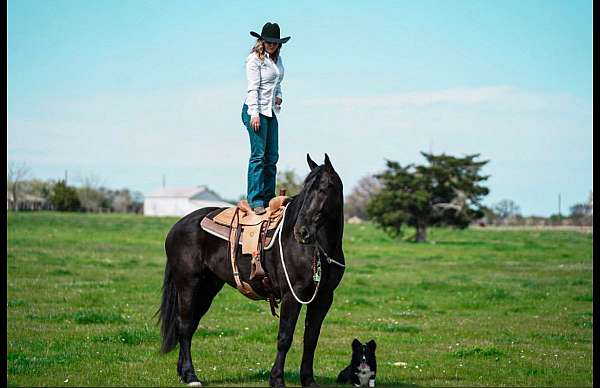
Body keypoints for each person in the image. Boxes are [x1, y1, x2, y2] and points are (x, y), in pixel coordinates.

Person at [241, 22, 290, 215]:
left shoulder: (277, 60)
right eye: (268, 41)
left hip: (270, 111)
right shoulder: (254, 60)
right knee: (258, 156)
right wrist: (254, 113)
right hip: (255, 111)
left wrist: (279, 95)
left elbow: (277, 82)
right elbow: (253, 87)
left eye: (274, 42)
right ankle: (256, 200)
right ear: (262, 41)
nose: (271, 45)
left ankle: (269, 198)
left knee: (272, 157)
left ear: (279, 44)